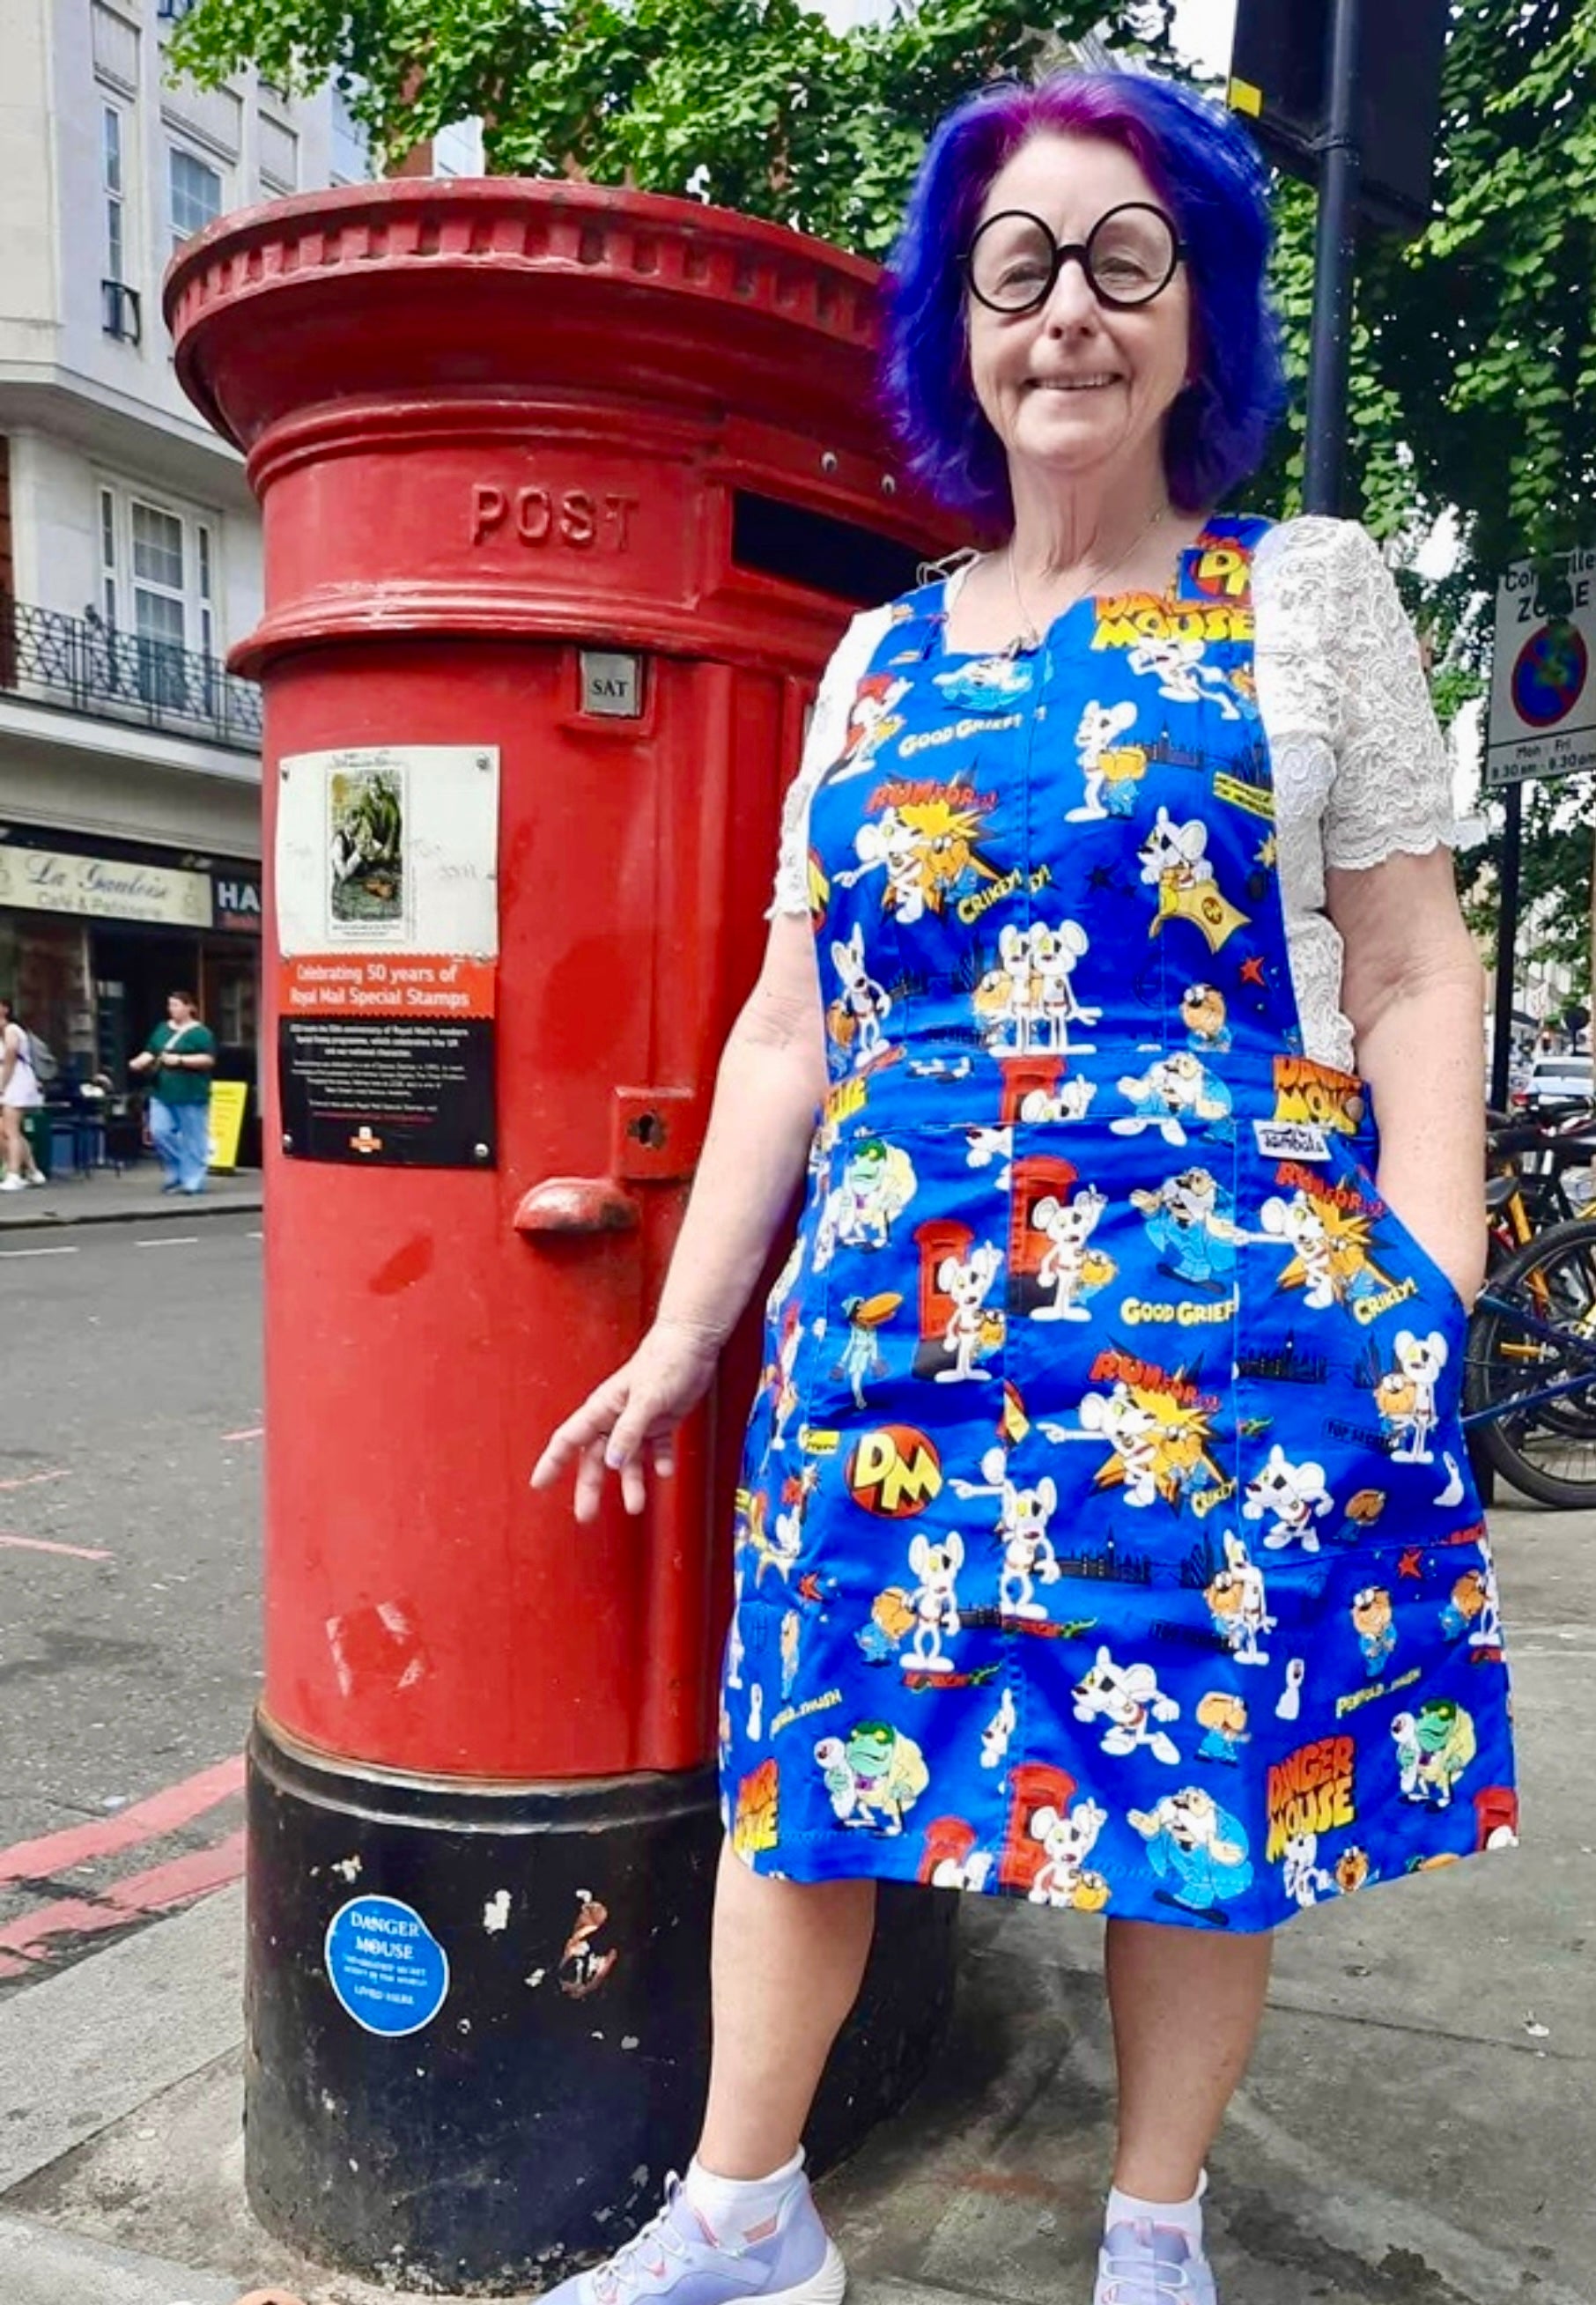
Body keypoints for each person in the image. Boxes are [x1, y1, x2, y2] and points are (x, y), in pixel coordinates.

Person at [533, 70, 1510, 2305]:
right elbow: (791, 1022)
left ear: (1195, 317)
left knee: (1192, 1794)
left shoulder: (1309, 596)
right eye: (1011, 268)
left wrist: (1427, 1284)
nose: (1061, 312)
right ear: (952, 326)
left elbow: (1406, 962)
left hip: (1218, 1305)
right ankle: (741, 2213)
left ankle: (1146, 2233)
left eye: (1118, 260)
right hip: (897, 1311)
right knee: (812, 1760)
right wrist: (691, 1319)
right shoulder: (874, 653)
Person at [129, 989, 215, 1195]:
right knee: (159, 1132)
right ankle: (178, 1169)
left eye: (176, 1005)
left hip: (191, 1092)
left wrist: (181, 1060)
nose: (172, 1009)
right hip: (162, 1091)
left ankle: (192, 1181)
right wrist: (139, 1061)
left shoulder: (201, 1033)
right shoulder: (162, 1029)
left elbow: (208, 1059)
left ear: (189, 1007)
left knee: (194, 1137)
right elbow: (152, 1050)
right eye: (170, 1005)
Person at [0, 996, 47, 1191]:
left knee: (10, 1130)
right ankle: (34, 1172)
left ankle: (14, 1174)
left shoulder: (12, 1030)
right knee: (7, 1130)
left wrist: (2, 1085)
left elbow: (10, 1056)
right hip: (9, 1082)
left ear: (5, 1009)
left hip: (16, 1083)